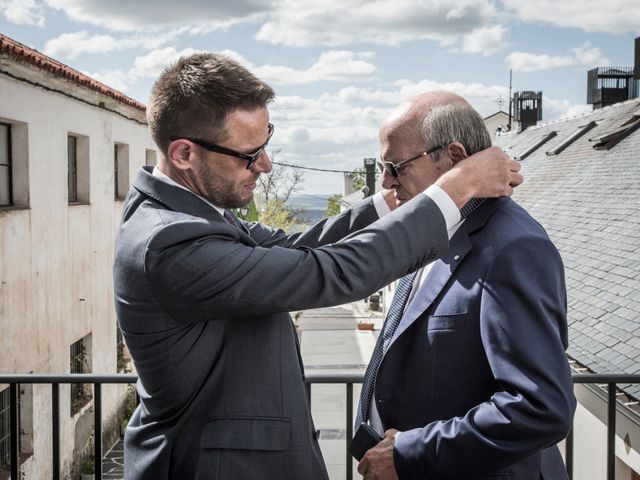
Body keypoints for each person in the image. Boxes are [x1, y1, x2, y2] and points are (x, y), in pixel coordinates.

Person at [113, 53, 522, 480]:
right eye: (249, 155)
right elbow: (328, 270)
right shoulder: (170, 242)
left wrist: (395, 196)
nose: (266, 165)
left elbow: (296, 245)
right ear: (184, 153)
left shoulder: (192, 212)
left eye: (266, 143)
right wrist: (456, 186)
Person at [354, 91, 576, 480]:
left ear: (454, 158)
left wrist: (408, 452)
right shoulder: (430, 231)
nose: (386, 182)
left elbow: (541, 407)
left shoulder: (514, 247)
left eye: (395, 166)